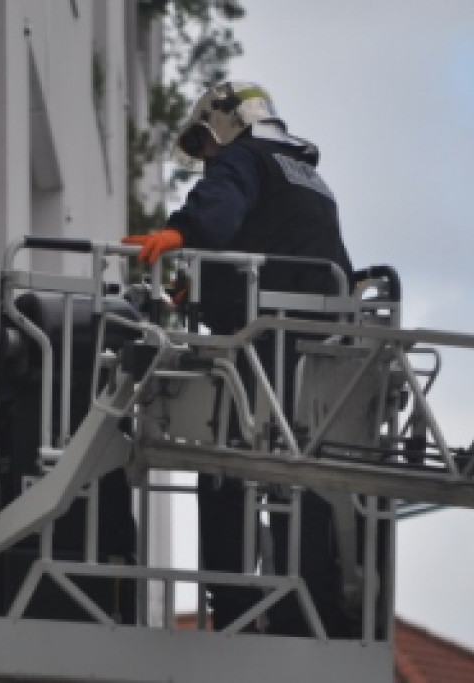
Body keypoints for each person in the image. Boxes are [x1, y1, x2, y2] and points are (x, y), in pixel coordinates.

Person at [123, 81, 357, 637]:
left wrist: (181, 232)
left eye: (207, 145)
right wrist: (202, 289)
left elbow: (221, 214)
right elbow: (281, 250)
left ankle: (231, 607)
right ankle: (309, 607)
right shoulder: (308, 174)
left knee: (226, 465)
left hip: (260, 346)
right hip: (323, 348)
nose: (208, 159)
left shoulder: (243, 160)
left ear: (223, 123)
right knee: (302, 476)